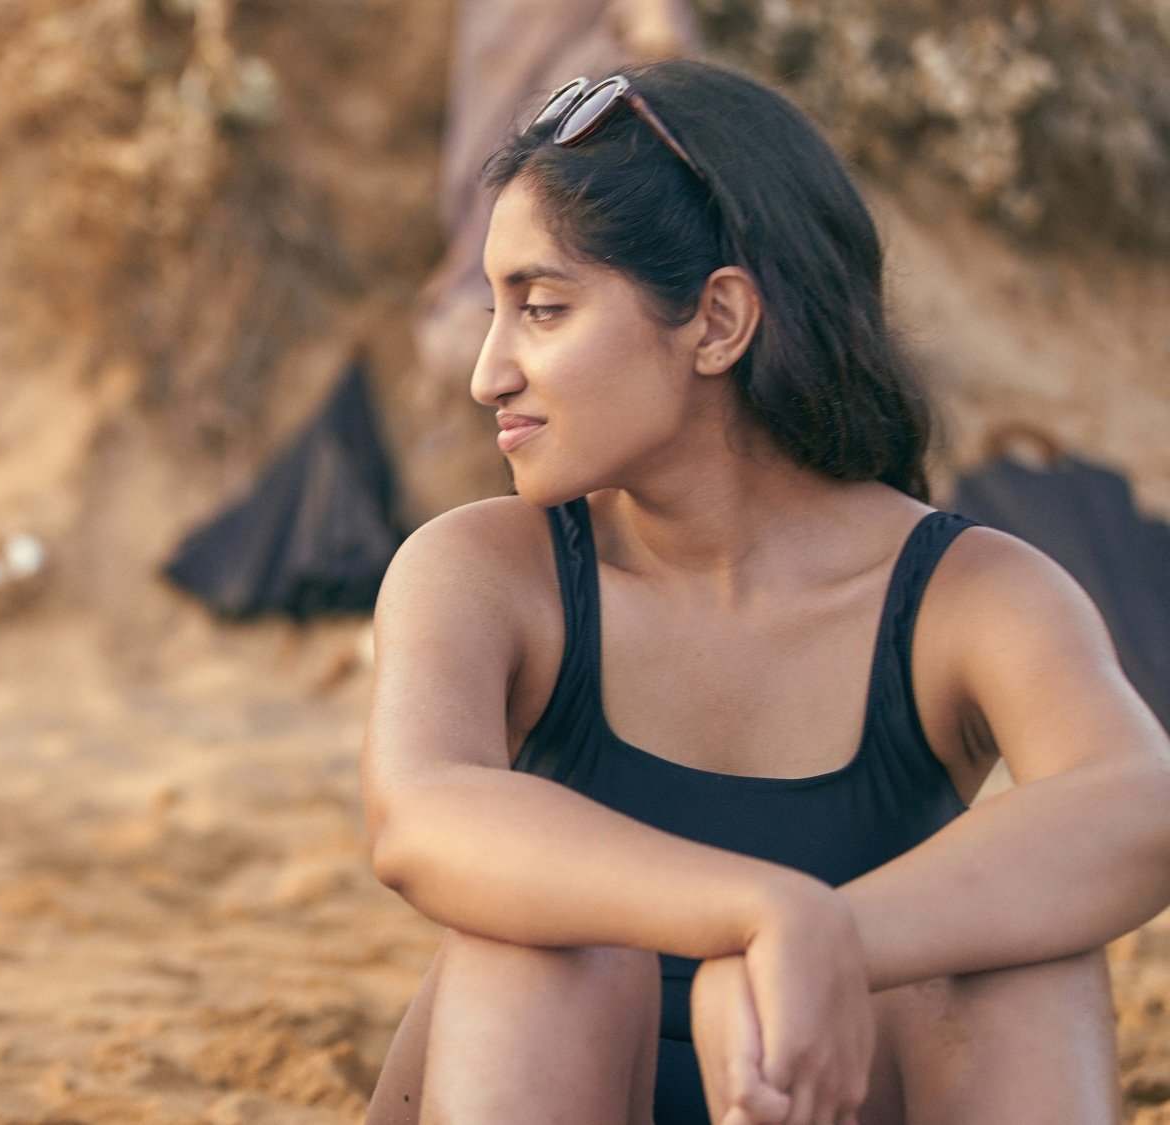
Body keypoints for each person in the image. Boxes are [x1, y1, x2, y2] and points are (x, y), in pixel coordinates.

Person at [361, 59, 1170, 1124]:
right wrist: (758, 911)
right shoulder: (485, 572)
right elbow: (422, 819)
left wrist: (828, 942)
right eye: (494, 311)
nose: (487, 373)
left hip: (821, 1086)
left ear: (715, 321)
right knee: (540, 956)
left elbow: (1137, 807)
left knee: (1012, 962)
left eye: (542, 309)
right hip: (552, 1073)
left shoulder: (960, 593)